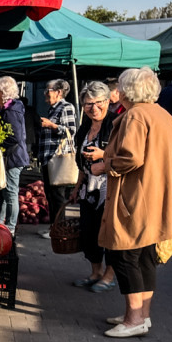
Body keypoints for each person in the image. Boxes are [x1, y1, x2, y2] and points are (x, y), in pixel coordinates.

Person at [96, 67, 172, 338]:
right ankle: (141, 316)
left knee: (125, 256)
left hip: (137, 197)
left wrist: (105, 165)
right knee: (146, 257)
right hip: (159, 197)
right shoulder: (163, 115)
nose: (117, 91)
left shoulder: (135, 115)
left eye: (120, 86)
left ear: (128, 91)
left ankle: (134, 319)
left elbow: (131, 157)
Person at [68, 82, 117, 293]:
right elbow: (81, 164)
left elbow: (126, 157)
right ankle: (96, 272)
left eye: (98, 103)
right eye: (88, 104)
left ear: (107, 101)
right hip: (88, 188)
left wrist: (102, 156)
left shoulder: (115, 124)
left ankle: (109, 276)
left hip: (110, 188)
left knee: (108, 233)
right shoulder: (84, 127)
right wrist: (76, 187)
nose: (93, 108)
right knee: (89, 232)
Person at [37, 79, 78, 236]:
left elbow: (71, 130)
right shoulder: (53, 109)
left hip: (58, 159)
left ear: (59, 92)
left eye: (48, 90)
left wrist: (51, 126)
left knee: (58, 195)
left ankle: (62, 229)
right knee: (51, 195)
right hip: (49, 158)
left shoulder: (66, 107)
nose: (45, 94)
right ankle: (54, 227)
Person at [0, 76, 30, 236]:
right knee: (1, 190)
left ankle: (11, 227)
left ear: (3, 92)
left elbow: (15, 137)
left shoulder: (11, 110)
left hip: (13, 158)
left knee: (11, 193)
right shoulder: (6, 108)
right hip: (7, 158)